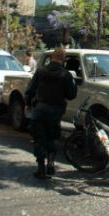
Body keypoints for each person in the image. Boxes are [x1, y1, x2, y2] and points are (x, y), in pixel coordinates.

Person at [24, 47, 77, 179]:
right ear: (63, 60)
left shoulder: (41, 71)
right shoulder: (66, 74)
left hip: (39, 109)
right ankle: (51, 163)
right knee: (52, 137)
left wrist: (27, 103)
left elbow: (30, 89)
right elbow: (71, 95)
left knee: (39, 138)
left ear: (52, 57)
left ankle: (41, 168)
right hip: (55, 111)